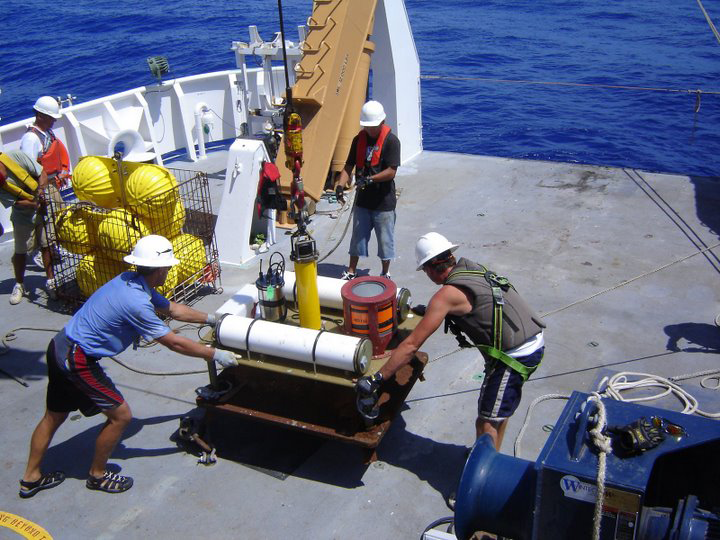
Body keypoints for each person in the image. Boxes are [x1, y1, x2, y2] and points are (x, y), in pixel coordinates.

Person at [18, 235, 238, 498]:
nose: (169, 270)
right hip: (77, 359)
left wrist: (213, 319)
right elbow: (173, 343)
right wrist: (215, 354)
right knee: (121, 417)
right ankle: (97, 476)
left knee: (54, 415)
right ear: (159, 269)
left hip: (60, 346)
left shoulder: (130, 281)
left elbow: (173, 310)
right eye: (167, 267)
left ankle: (30, 478)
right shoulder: (136, 302)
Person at [356, 232, 546, 451]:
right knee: (496, 414)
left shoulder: (446, 296)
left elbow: (410, 346)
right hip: (532, 339)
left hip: (516, 356)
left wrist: (377, 378)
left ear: (429, 268)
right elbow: (476, 302)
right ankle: (487, 458)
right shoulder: (471, 268)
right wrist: (431, 313)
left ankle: (483, 473)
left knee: (486, 422)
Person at [335, 100, 401, 280]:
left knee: (385, 240)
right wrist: (340, 186)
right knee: (357, 237)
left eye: (373, 126)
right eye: (367, 126)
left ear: (382, 122)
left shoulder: (392, 142)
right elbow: (349, 166)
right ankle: (351, 271)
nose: (370, 130)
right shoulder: (359, 140)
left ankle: (385, 272)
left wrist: (370, 179)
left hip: (383, 202)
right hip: (363, 201)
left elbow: (391, 171)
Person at [20, 95, 69, 299]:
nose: (53, 121)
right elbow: (27, 170)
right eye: (50, 117)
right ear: (39, 115)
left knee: (57, 221)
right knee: (43, 230)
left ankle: (53, 249)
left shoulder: (47, 133)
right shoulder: (31, 139)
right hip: (42, 190)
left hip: (52, 186)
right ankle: (42, 260)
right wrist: (37, 195)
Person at [0, 150, 50, 305]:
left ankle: (51, 281)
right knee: (20, 250)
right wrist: (35, 204)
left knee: (46, 244)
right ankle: (19, 284)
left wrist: (41, 193)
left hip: (42, 199)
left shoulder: (16, 157)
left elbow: (41, 173)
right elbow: (14, 202)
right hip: (22, 214)